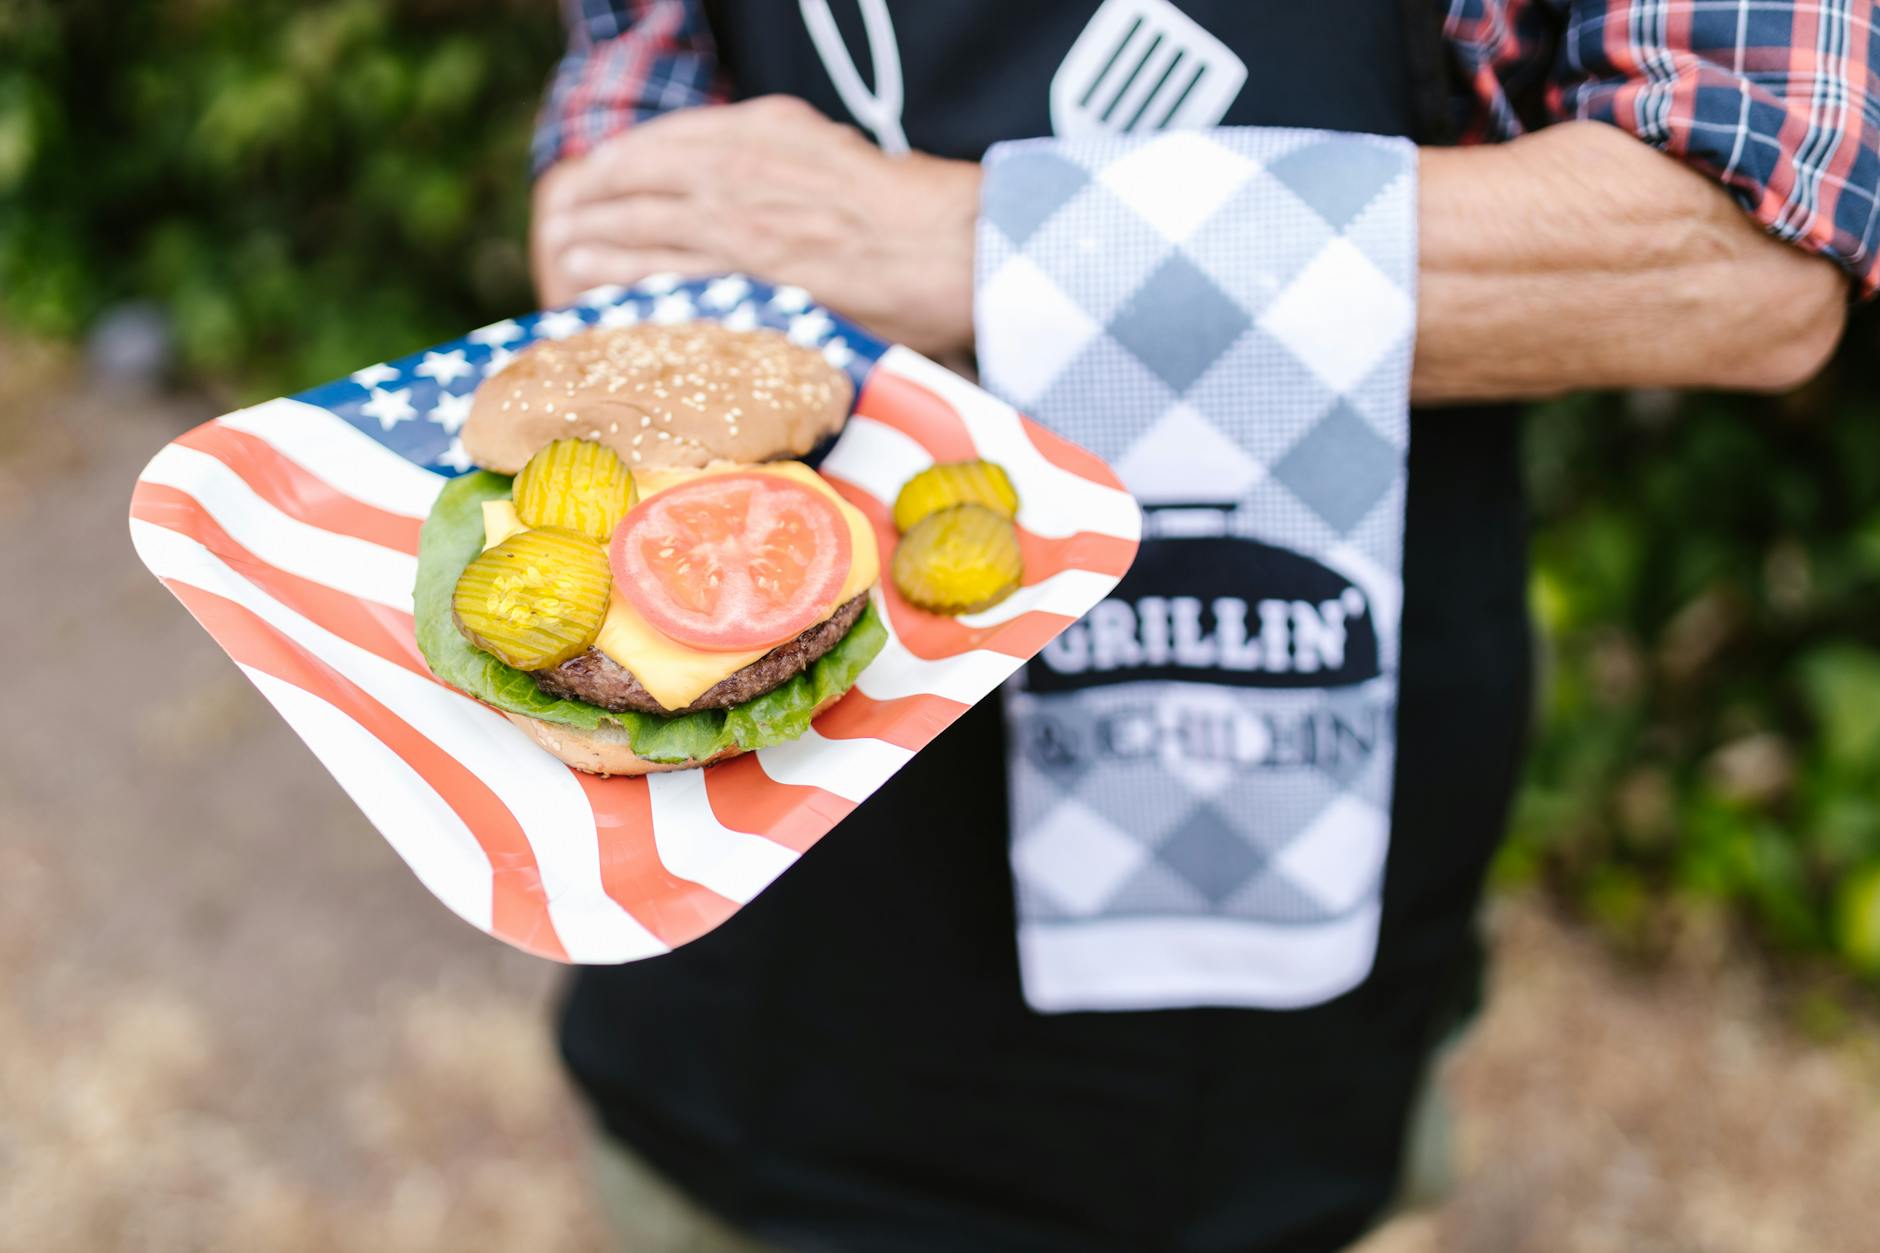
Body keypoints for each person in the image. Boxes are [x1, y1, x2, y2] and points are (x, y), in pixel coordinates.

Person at [527, 3, 1878, 1250]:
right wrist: (611, 229)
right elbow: (619, 144)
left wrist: (968, 245)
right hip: (766, 936)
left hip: (1285, 893)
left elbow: (1745, 253)